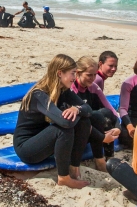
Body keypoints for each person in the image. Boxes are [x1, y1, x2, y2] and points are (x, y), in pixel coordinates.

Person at [13, 54, 92, 189]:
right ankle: (63, 178)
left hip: (42, 141)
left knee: (84, 121)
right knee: (63, 129)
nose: (74, 78)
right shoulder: (38, 94)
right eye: (72, 74)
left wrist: (76, 109)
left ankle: (74, 166)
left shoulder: (63, 90)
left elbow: (88, 109)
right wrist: (77, 112)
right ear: (60, 73)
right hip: (26, 148)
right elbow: (65, 123)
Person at [71, 56, 121, 172]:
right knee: (96, 116)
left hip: (93, 130)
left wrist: (118, 128)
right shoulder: (71, 90)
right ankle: (98, 160)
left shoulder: (93, 87)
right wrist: (102, 137)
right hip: (77, 132)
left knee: (105, 113)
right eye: (89, 75)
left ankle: (109, 158)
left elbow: (111, 111)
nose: (93, 78)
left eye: (94, 75)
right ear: (78, 73)